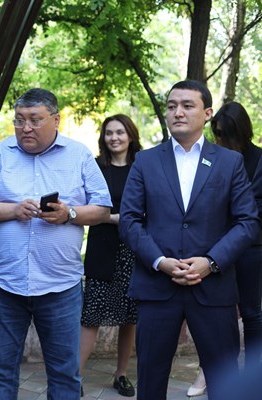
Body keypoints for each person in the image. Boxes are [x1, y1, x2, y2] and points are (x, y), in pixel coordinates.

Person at [119, 80, 260, 400]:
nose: (177, 112)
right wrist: (160, 262)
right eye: (171, 106)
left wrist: (211, 262)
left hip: (214, 289)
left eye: (187, 105)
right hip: (157, 288)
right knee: (150, 382)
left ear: (207, 113)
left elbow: (247, 222)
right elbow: (129, 220)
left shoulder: (229, 162)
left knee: (225, 384)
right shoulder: (145, 161)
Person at [0, 88, 112, 399]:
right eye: (19, 120)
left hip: (60, 285)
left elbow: (102, 208)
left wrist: (69, 214)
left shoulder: (78, 155)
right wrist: (13, 210)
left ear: (56, 120)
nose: (26, 128)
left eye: (35, 120)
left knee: (64, 372)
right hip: (6, 284)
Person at [187, 101, 262, 397]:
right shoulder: (211, 157)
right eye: (217, 133)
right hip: (214, 248)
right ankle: (209, 372)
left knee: (252, 313)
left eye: (226, 134)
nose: (220, 139)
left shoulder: (258, 159)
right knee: (215, 314)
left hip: (250, 248)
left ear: (241, 132)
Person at [80, 114, 142, 397]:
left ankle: (121, 374)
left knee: (129, 316)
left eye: (119, 132)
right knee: (91, 315)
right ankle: (75, 377)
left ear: (130, 135)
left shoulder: (143, 167)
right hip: (101, 248)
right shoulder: (95, 167)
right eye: (109, 133)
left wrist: (112, 217)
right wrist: (114, 218)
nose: (114, 138)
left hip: (133, 250)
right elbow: (86, 207)